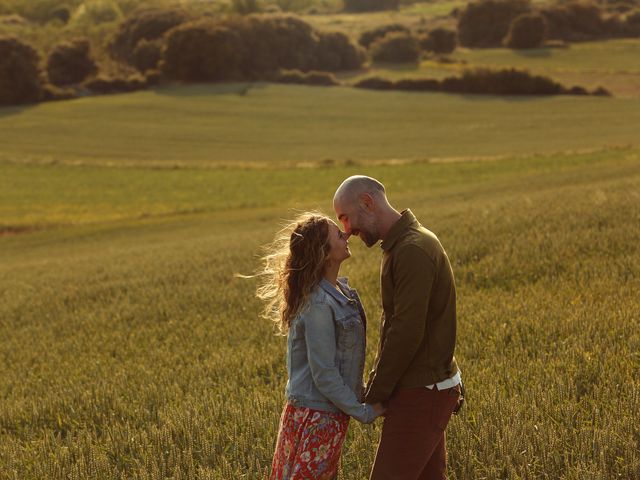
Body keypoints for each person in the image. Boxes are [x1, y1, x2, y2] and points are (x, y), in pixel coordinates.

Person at [333, 176, 463, 480]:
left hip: (422, 392)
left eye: (345, 217)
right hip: (424, 387)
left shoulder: (411, 249)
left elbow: (406, 332)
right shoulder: (401, 246)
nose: (347, 230)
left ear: (367, 202)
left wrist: (375, 394)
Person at [255, 212, 385, 480]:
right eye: (338, 234)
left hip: (328, 413)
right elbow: (324, 372)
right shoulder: (318, 304)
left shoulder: (341, 293)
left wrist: (362, 393)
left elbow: (344, 360)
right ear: (324, 255)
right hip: (314, 417)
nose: (346, 234)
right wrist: (364, 411)